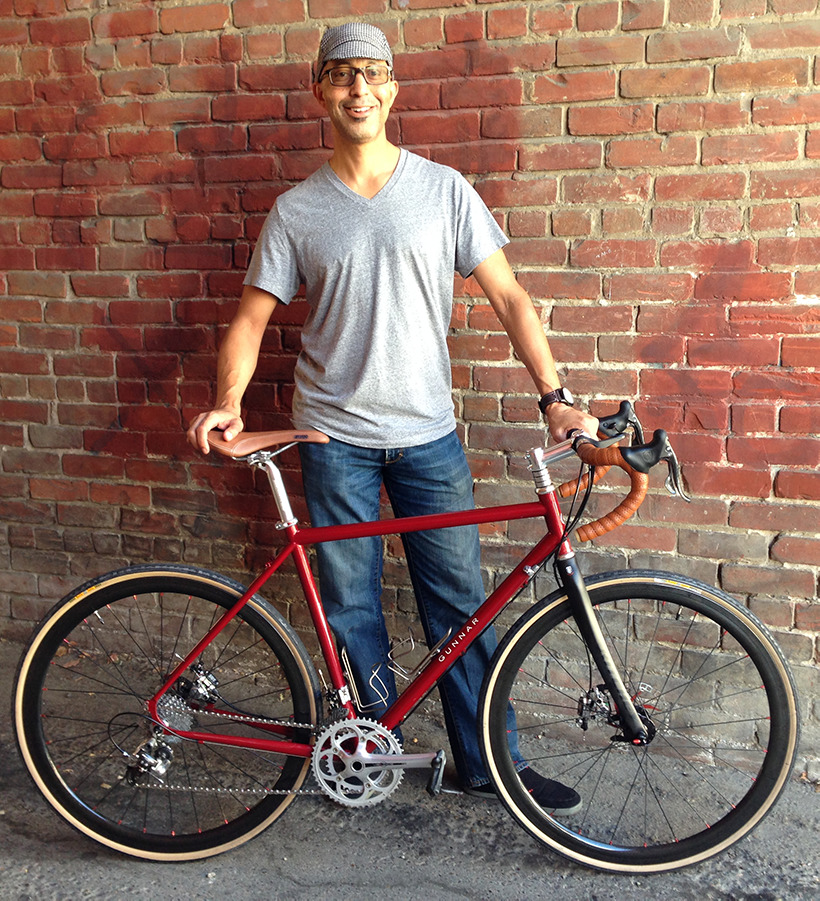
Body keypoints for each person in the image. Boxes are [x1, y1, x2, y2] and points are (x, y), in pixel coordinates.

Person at [188, 22, 597, 811]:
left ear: (392, 89)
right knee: (350, 606)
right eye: (342, 74)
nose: (359, 88)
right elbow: (250, 318)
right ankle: (368, 749)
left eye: (373, 73)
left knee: (462, 605)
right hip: (332, 436)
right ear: (320, 89)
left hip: (428, 437)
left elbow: (510, 296)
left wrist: (555, 397)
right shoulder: (298, 211)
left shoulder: (443, 190)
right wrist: (228, 402)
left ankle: (488, 764)